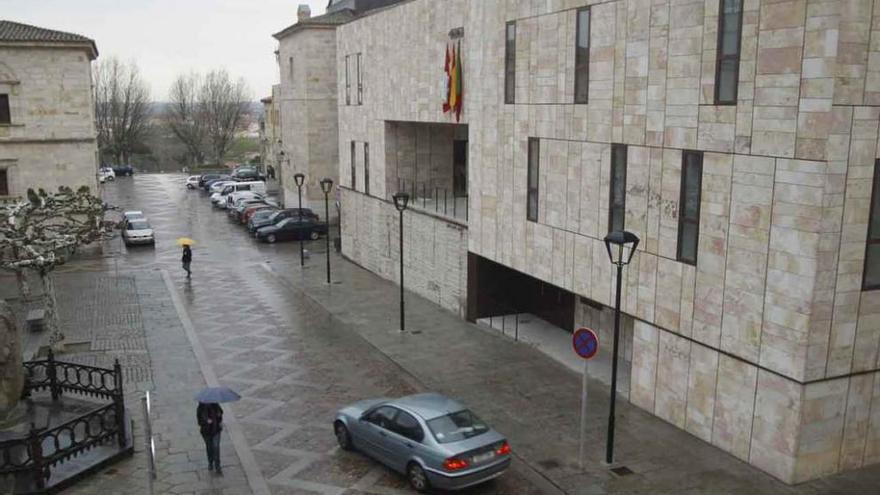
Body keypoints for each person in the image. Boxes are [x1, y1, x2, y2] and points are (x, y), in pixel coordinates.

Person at [197, 402, 223, 473]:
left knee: (216, 446)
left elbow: (220, 415)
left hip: (216, 430)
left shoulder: (216, 405)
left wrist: (219, 415)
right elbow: (199, 422)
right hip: (206, 432)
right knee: (209, 447)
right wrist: (206, 421)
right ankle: (210, 462)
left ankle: (217, 465)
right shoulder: (201, 407)